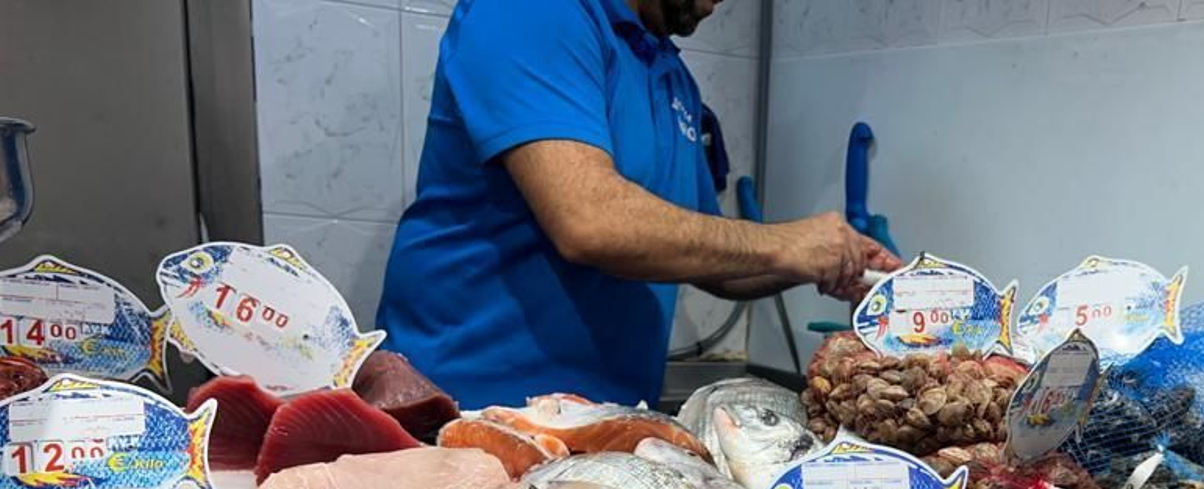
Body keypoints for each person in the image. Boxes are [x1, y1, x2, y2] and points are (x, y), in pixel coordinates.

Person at [377, 0, 898, 410]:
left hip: (606, 420)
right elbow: (590, 222)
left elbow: (715, 260)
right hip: (467, 409)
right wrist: (785, 243)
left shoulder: (670, 74)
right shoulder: (532, 10)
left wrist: (831, 260)